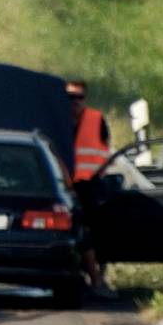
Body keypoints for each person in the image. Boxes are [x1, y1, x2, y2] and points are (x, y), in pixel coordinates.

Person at [70, 81, 116, 298]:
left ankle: (100, 278)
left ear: (85, 99)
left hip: (91, 184)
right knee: (80, 231)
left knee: (100, 231)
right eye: (70, 97)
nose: (74, 101)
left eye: (78, 97)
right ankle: (94, 278)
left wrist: (99, 174)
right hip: (66, 186)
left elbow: (105, 151)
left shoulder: (96, 119)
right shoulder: (57, 118)